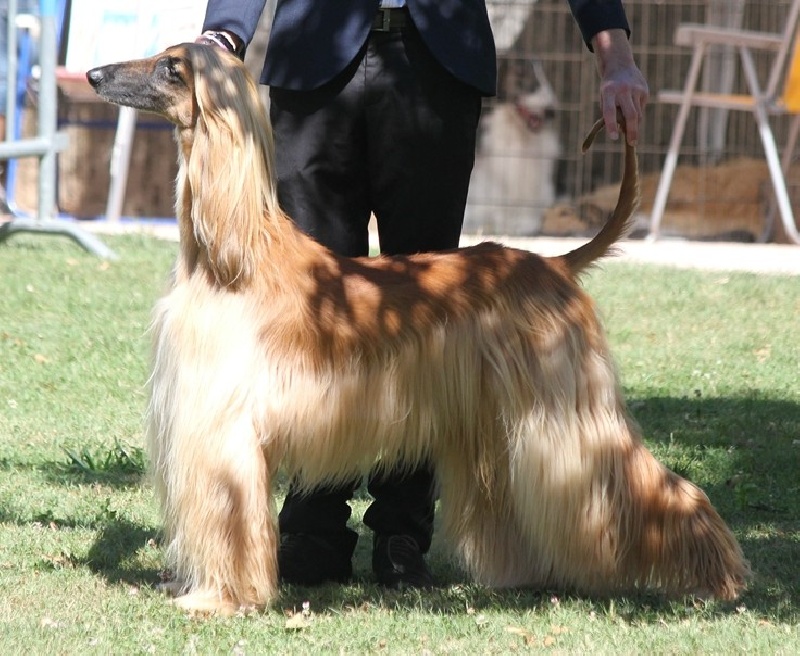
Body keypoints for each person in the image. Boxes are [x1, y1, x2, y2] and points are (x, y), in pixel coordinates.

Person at [197, 0, 649, 589]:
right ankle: (313, 531)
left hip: (433, 66)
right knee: (308, 321)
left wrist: (615, 54)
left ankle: (403, 534)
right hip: (315, 63)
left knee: (430, 330)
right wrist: (224, 31)